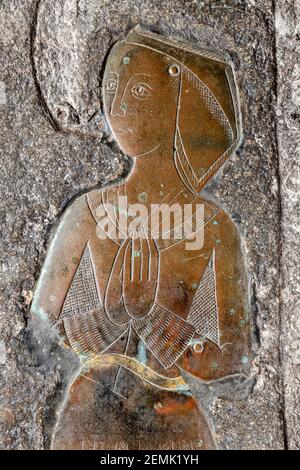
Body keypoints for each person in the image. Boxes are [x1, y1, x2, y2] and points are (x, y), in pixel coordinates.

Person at [31, 27, 251, 450]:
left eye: (141, 90)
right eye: (111, 88)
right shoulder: (87, 213)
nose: (118, 106)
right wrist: (106, 324)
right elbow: (43, 331)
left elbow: (233, 361)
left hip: (174, 424)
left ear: (180, 104)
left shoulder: (213, 226)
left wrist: (162, 328)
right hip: (88, 422)